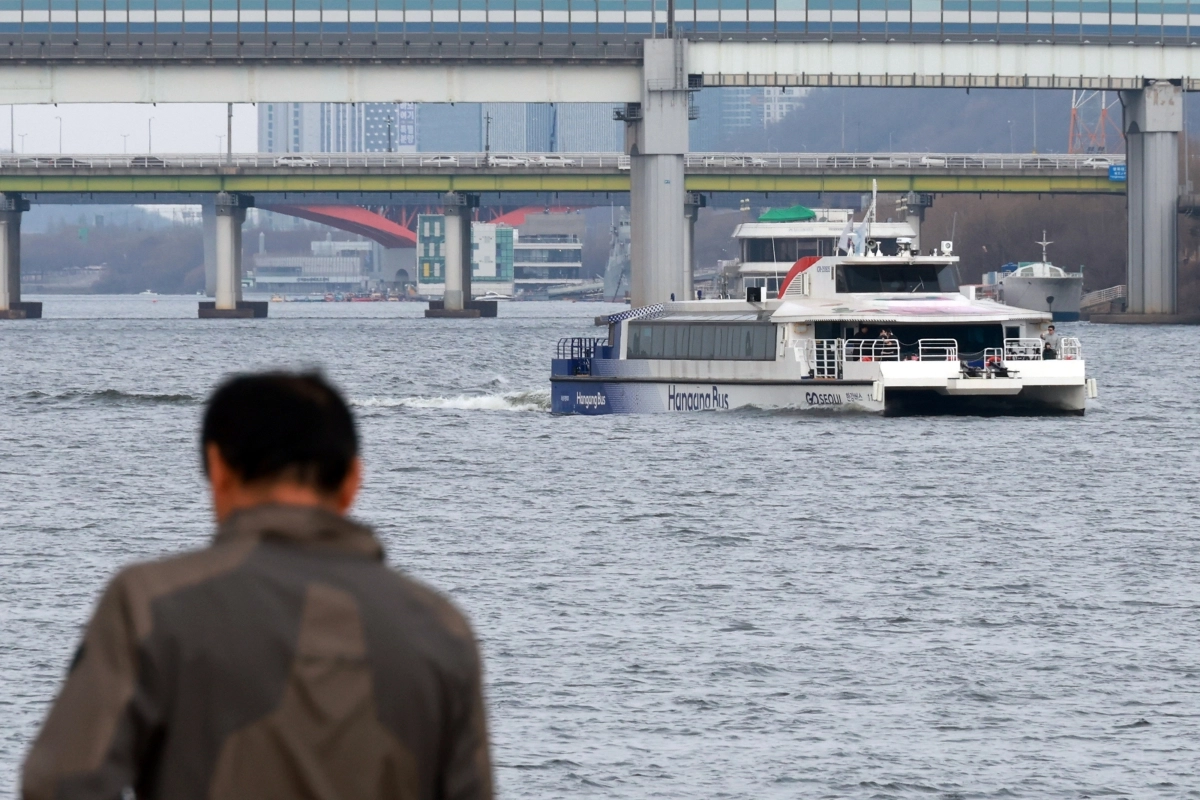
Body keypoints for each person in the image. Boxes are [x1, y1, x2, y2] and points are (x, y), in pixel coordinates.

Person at [22, 372, 493, 800]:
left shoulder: (150, 604)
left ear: (218, 469)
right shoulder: (443, 628)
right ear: (352, 481)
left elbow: (61, 783)